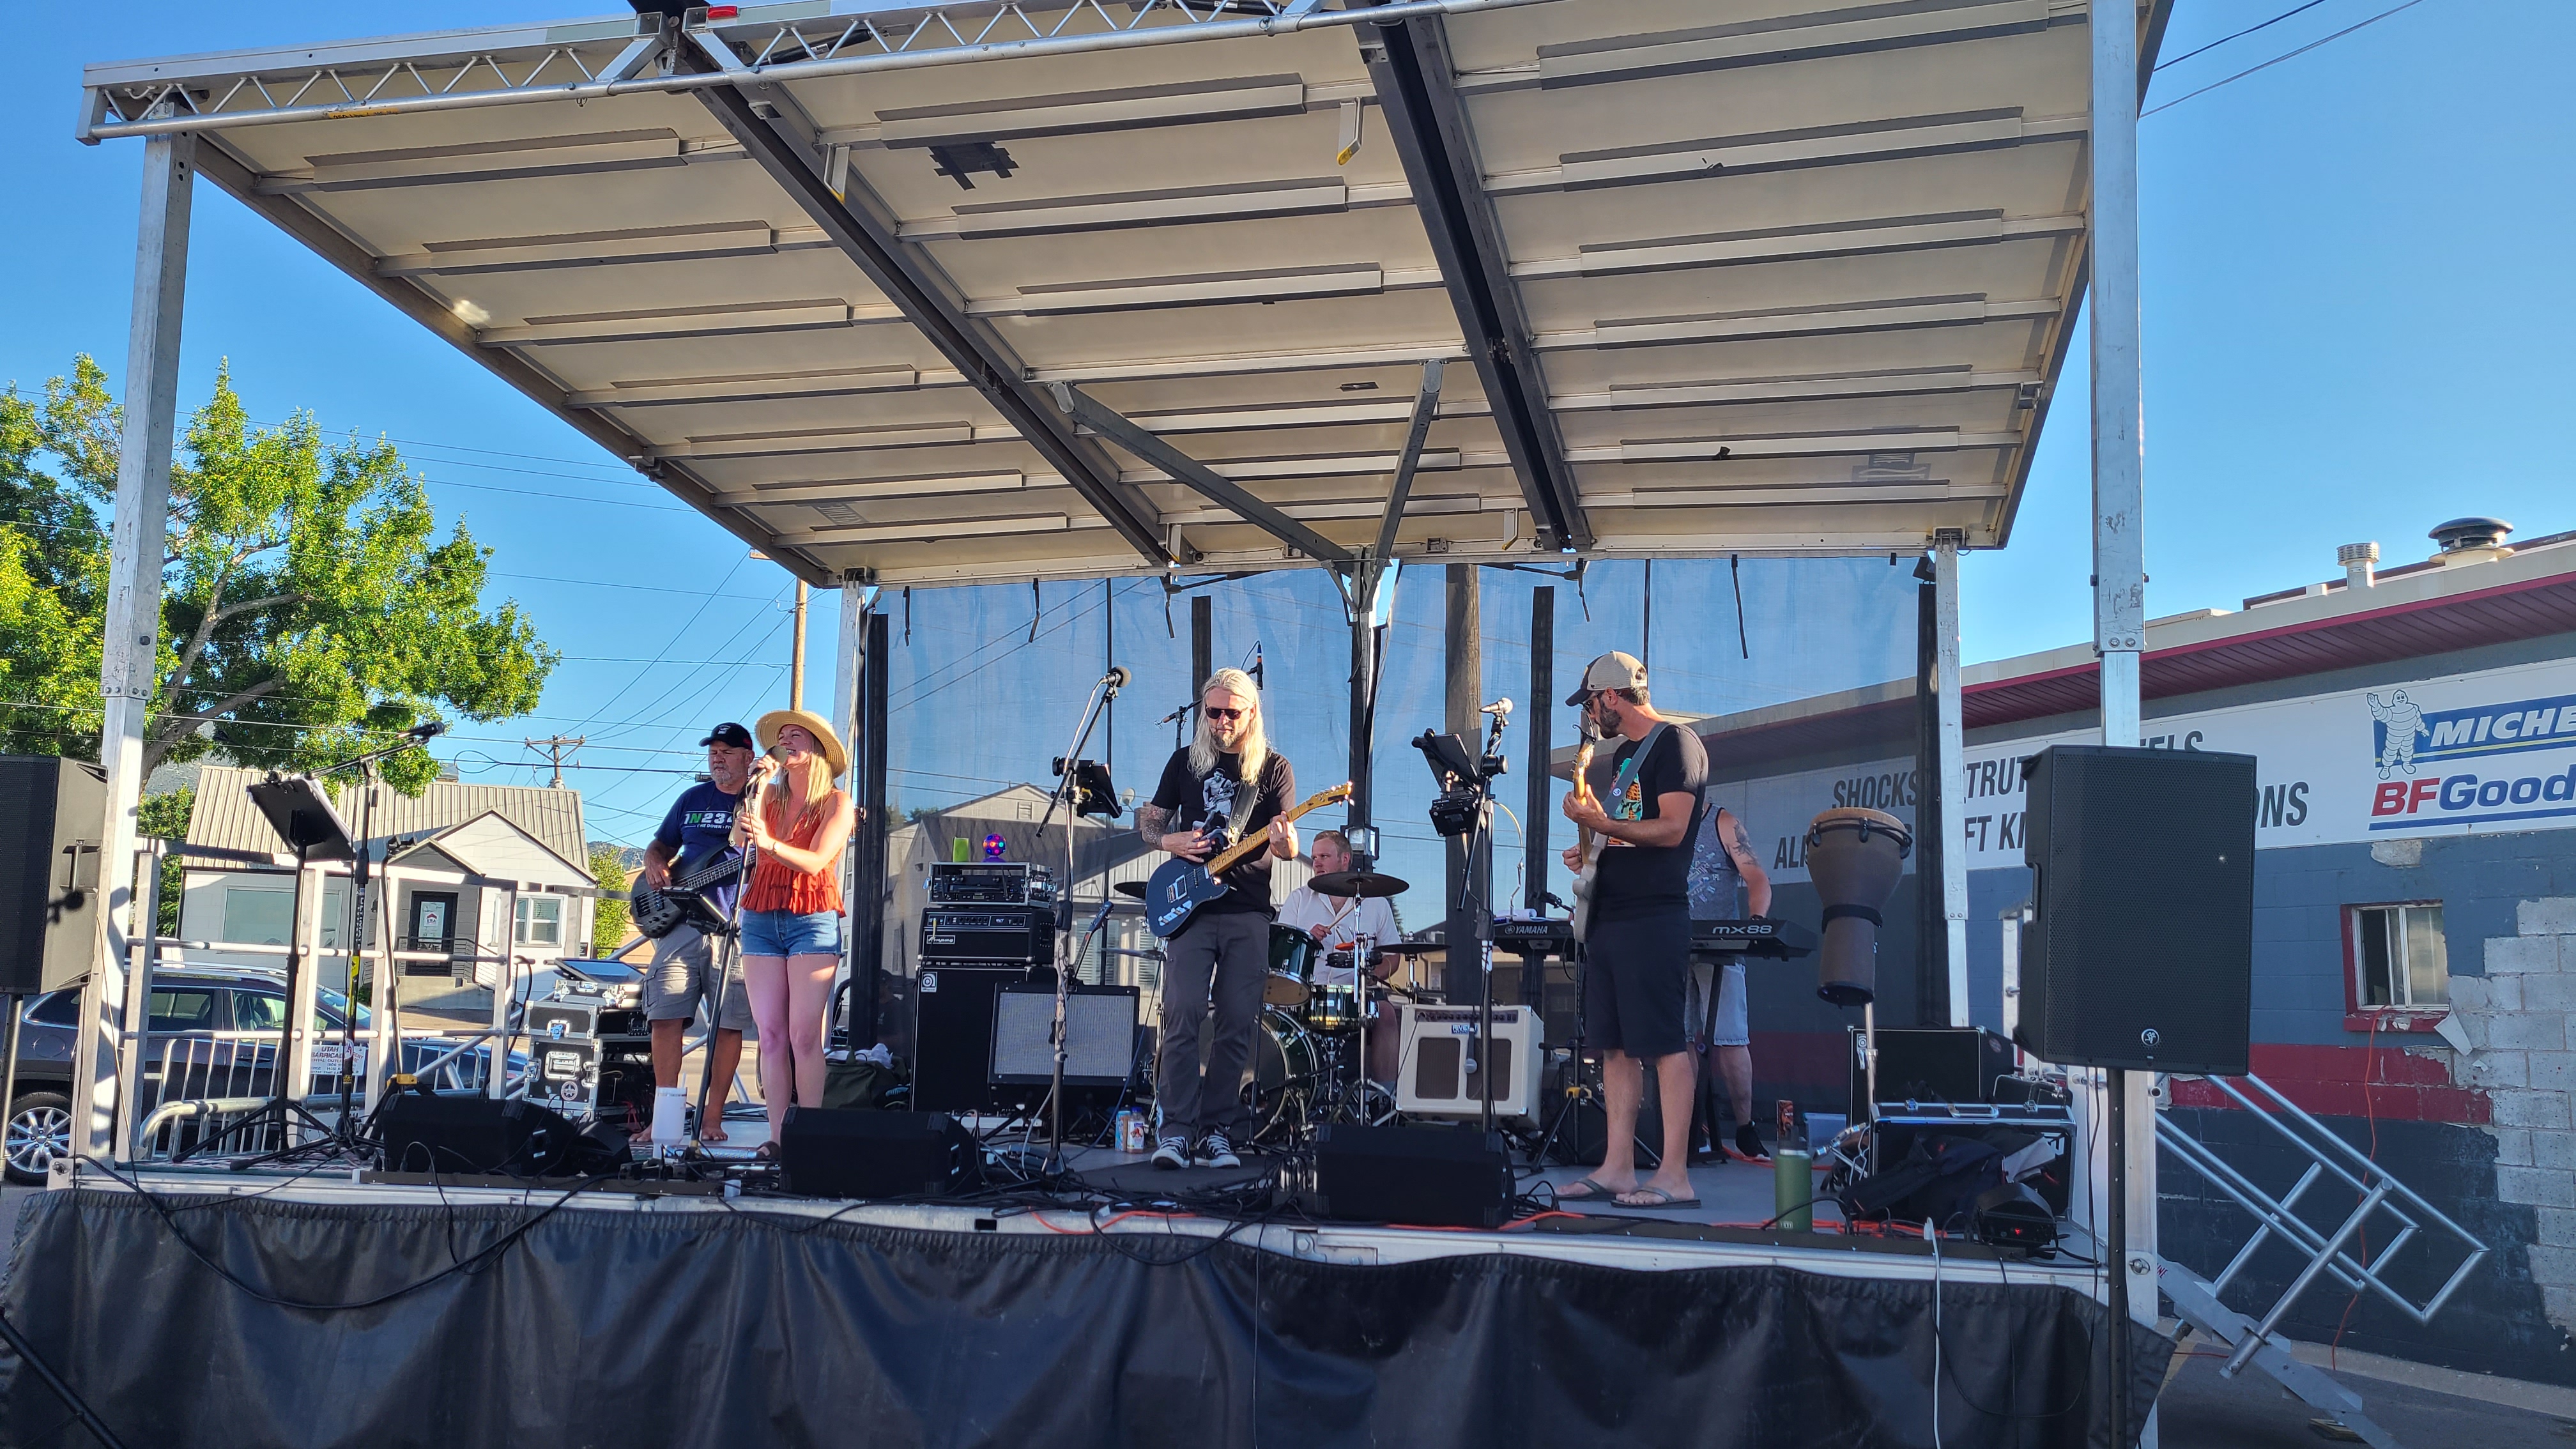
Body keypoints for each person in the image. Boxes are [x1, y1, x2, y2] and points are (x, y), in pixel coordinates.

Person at [1557, 651, 1708, 1210]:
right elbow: (1628, 829)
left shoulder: (1677, 744)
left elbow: (1671, 829)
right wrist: (1593, 846)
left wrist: (1600, 823)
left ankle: (1675, 1175)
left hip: (1653, 915)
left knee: (1665, 1043)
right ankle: (1618, 1167)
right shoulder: (1624, 756)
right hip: (1611, 914)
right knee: (1615, 1047)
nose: (1590, 715)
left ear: (1611, 696)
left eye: (1591, 703)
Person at [1137, 668, 1296, 1170]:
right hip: (1192, 910)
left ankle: (1216, 1132)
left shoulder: (1273, 769)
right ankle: (1176, 1132)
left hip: (1247, 910)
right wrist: (1167, 840)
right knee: (1182, 1012)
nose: (1222, 721)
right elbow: (1149, 821)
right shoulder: (1185, 762)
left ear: (1252, 712)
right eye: (1213, 712)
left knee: (1237, 1023)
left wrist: (1286, 844)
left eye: (1231, 712)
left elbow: (1285, 847)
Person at [733, 709, 856, 1149]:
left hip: (811, 916)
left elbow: (817, 861)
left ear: (817, 748)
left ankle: (809, 1138)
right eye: (781, 736)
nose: (784, 741)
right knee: (770, 1035)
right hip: (762, 914)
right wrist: (757, 787)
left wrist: (768, 841)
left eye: (795, 735)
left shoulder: (838, 803)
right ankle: (778, 1138)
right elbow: (740, 841)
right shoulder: (769, 794)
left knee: (804, 1035)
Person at [638, 722, 757, 1141]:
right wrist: (654, 862)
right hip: (681, 922)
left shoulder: (762, 801)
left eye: (727, 751)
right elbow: (661, 845)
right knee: (665, 1016)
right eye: (713, 752)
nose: (717, 758)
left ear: (748, 757)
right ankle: (664, 1119)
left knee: (727, 1023)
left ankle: (712, 1118)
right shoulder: (692, 798)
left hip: (733, 926)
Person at [1275, 829, 1402, 1080]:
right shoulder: (1299, 899)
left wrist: (1369, 977)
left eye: (1324, 856)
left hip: (1357, 993)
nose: (1317, 863)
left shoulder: (1375, 903)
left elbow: (1393, 956)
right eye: (1314, 857)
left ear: (1345, 859)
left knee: (1387, 1013)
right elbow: (1282, 953)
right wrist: (1307, 940)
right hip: (1308, 992)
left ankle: (1385, 1095)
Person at [1687, 803, 1774, 1164]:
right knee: (1678, 1041)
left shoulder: (1722, 823)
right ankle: (1689, 1127)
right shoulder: (1658, 821)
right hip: (1670, 944)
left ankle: (1744, 1127)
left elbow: (1757, 878)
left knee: (1731, 1039)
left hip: (1720, 947)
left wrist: (1754, 923)